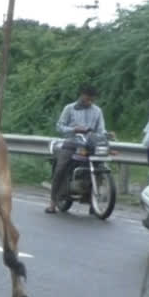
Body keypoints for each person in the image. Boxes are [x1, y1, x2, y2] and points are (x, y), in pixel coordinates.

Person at [46, 84, 106, 214]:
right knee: (61, 167)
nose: (90, 101)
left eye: (92, 98)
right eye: (88, 97)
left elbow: (101, 129)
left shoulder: (97, 111)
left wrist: (105, 135)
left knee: (100, 166)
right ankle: (52, 202)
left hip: (90, 145)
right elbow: (60, 126)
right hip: (72, 143)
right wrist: (74, 129)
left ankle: (93, 201)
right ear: (82, 95)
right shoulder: (69, 108)